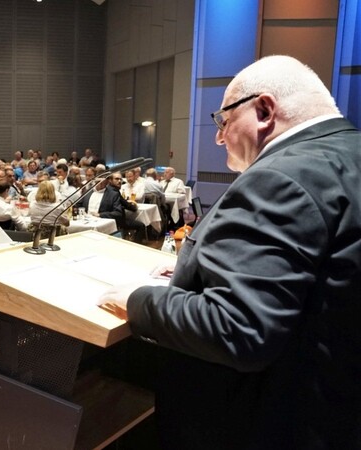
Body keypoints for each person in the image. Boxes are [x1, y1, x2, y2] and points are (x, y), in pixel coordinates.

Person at [98, 55, 361, 449]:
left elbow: (239, 328)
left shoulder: (279, 177)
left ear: (264, 109)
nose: (219, 137)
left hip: (265, 423)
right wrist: (201, 276)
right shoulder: (349, 154)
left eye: (223, 121)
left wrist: (137, 300)